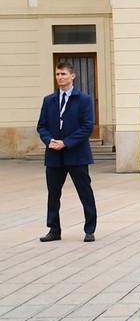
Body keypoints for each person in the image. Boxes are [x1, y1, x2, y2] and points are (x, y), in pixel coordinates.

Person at [36, 62, 98, 243]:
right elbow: (42, 125)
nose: (60, 77)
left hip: (76, 155)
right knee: (53, 194)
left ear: (72, 76)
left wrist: (66, 143)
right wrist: (50, 141)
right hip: (54, 155)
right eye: (57, 74)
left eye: (63, 74)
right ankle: (54, 229)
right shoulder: (49, 100)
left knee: (85, 192)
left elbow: (87, 127)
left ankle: (89, 229)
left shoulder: (84, 99)